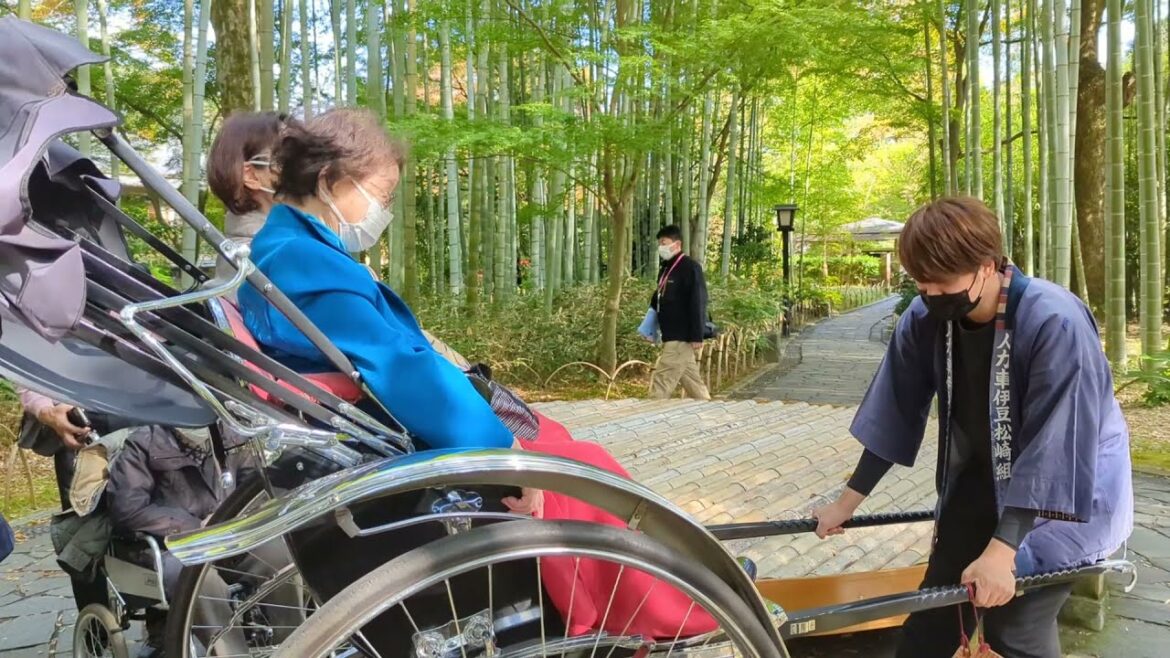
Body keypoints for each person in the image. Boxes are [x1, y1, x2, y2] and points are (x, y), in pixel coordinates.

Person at [812, 197, 1133, 658]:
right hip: (979, 485)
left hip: (1064, 503)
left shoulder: (1053, 320)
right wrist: (845, 503)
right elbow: (894, 412)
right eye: (921, 282)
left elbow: (1057, 447)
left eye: (942, 281)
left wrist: (1003, 551)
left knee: (1014, 630)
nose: (930, 292)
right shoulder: (924, 318)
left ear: (987, 266)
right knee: (930, 625)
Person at [237, 108, 540, 516]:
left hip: (401, 417)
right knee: (582, 466)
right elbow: (398, 367)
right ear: (329, 181)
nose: (382, 210)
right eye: (381, 196)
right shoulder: (302, 260)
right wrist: (503, 447)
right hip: (407, 425)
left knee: (557, 438)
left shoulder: (284, 246)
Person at [106, 424, 298, 657]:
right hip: (173, 546)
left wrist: (238, 518)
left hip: (227, 537)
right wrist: (194, 526)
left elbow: (253, 491)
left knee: (280, 558)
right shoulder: (144, 443)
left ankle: (296, 644)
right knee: (201, 581)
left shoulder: (233, 437)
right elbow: (128, 510)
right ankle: (231, 653)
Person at [15, 388, 108, 610]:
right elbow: (29, 372)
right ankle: (95, 629)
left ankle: (162, 627)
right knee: (80, 528)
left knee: (151, 518)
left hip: (144, 416)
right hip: (76, 425)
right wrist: (48, 411)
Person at [205, 111, 286, 285]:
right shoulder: (271, 256)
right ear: (252, 176)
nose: (309, 166)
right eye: (291, 156)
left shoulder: (243, 251)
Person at [645, 225, 711, 400]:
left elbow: (698, 302)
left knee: (662, 380)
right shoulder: (666, 268)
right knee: (693, 382)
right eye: (659, 243)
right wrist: (649, 328)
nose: (661, 247)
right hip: (670, 333)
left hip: (681, 335)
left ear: (677, 244)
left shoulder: (690, 267)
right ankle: (711, 410)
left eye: (664, 242)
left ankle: (650, 416)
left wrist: (697, 335)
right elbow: (657, 299)